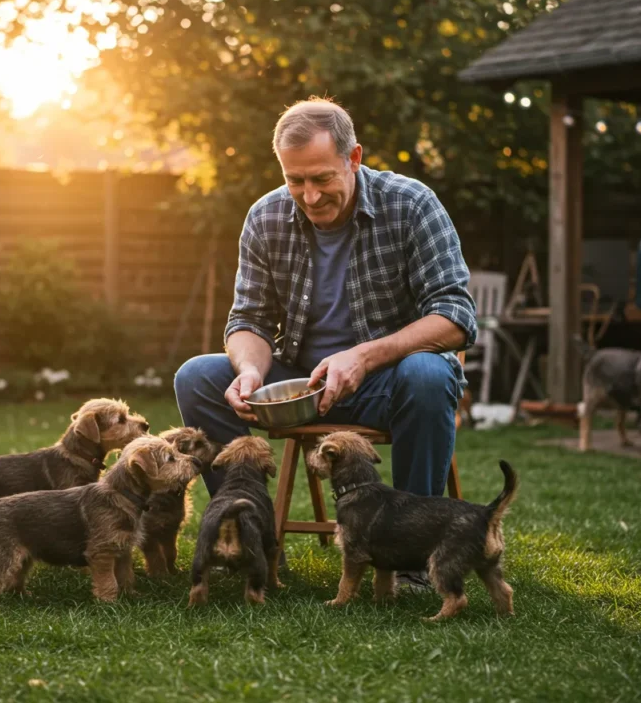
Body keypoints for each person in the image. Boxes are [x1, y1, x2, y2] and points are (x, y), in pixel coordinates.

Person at [173, 96, 477, 590]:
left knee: (430, 373)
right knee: (198, 376)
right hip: (298, 388)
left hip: (387, 386)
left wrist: (364, 355)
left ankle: (410, 558)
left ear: (353, 158)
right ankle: (249, 542)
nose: (309, 197)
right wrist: (249, 369)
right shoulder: (266, 217)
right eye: (296, 181)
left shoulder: (413, 204)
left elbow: (456, 316)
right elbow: (248, 318)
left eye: (322, 179)